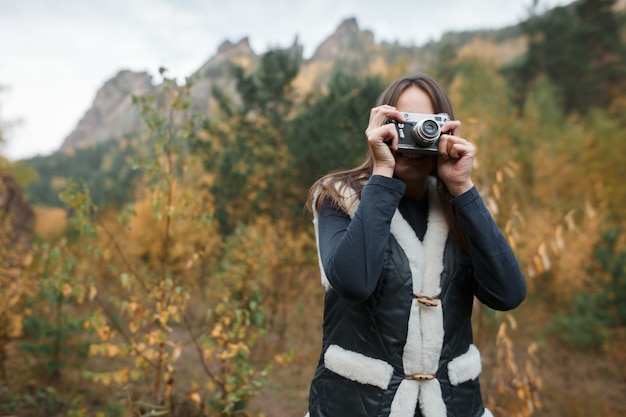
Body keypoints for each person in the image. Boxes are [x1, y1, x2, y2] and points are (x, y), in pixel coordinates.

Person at [305, 74, 526, 417]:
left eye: (428, 125)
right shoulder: (339, 197)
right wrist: (381, 172)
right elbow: (353, 282)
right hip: (359, 406)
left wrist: (463, 188)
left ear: (446, 130)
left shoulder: (458, 203)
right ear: (380, 126)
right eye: (402, 123)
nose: (415, 135)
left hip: (452, 406)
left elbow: (508, 294)